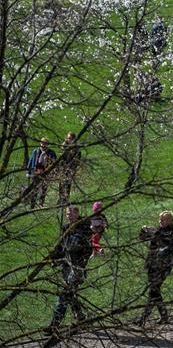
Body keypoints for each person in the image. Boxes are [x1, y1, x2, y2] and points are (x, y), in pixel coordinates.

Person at [48, 206, 93, 334]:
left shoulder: (84, 227)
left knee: (65, 295)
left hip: (78, 268)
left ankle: (54, 325)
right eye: (67, 214)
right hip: (66, 267)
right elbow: (61, 246)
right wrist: (52, 258)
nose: (69, 216)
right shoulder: (65, 227)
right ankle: (81, 318)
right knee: (71, 295)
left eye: (71, 214)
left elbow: (88, 249)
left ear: (77, 214)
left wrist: (80, 263)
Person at [139, 210, 173, 325]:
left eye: (164, 219)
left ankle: (144, 317)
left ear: (170, 220)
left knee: (154, 290)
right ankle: (161, 315)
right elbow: (142, 238)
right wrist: (144, 230)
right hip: (152, 264)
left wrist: (154, 232)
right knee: (154, 290)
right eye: (160, 219)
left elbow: (166, 245)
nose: (161, 221)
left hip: (163, 265)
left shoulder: (172, 232)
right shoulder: (157, 230)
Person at [26, 137, 56, 208]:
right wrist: (28, 172)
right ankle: (32, 205)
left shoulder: (51, 153)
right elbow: (30, 161)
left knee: (43, 189)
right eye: (42, 143)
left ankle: (41, 204)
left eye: (45, 143)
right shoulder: (35, 151)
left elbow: (54, 163)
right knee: (34, 189)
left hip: (45, 173)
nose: (43, 145)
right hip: (35, 172)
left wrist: (52, 173)